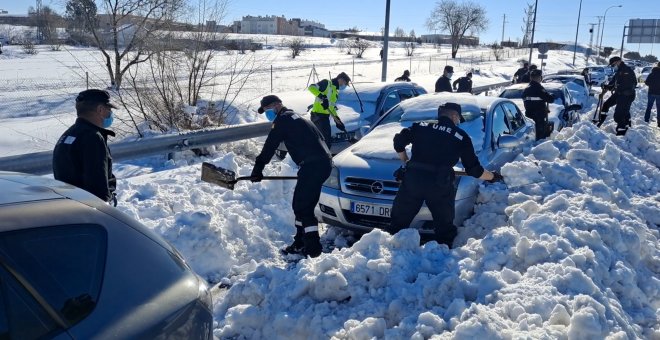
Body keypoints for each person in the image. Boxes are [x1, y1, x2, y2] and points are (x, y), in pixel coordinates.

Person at [388, 102, 503, 247]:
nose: (458, 122)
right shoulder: (460, 136)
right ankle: (443, 253)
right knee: (444, 226)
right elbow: (474, 170)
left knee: (398, 222)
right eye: (458, 118)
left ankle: (389, 249)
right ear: (454, 116)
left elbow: (398, 141)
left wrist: (405, 160)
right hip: (439, 184)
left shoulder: (421, 126)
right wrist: (492, 177)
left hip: (413, 180)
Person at [251, 95, 332, 258]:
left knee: (303, 207)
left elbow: (270, 145)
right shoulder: (297, 117)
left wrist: (258, 168)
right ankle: (301, 241)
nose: (267, 114)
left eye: (267, 110)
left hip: (313, 165)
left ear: (277, 105)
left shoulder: (283, 120)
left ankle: (313, 248)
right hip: (320, 164)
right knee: (300, 205)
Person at [53, 89, 118, 205]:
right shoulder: (92, 138)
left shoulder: (68, 134)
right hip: (88, 210)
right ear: (100, 110)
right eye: (109, 109)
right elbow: (98, 188)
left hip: (69, 206)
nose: (111, 114)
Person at [308, 72, 350, 149]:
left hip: (325, 117)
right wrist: (322, 96)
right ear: (340, 79)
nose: (344, 85)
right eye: (345, 83)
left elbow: (331, 107)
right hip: (317, 115)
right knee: (324, 142)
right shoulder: (326, 83)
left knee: (325, 141)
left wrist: (337, 119)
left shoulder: (336, 93)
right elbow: (311, 87)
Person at [522, 69, 555, 141]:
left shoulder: (526, 89)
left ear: (531, 78)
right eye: (540, 77)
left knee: (532, 138)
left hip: (529, 117)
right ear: (539, 77)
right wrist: (552, 95)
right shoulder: (539, 88)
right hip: (539, 117)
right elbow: (550, 99)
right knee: (540, 139)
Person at [608, 56, 637, 136]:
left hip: (627, 95)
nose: (613, 66)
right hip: (620, 94)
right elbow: (614, 81)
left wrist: (628, 90)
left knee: (618, 115)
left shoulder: (627, 70)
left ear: (618, 62)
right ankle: (627, 126)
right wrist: (608, 86)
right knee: (625, 112)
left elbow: (634, 82)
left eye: (613, 64)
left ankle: (621, 133)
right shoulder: (619, 71)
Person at [644, 62, 660, 126]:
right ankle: (659, 122)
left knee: (649, 107)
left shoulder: (652, 74)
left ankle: (646, 120)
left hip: (651, 93)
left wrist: (651, 85)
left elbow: (647, 82)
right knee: (659, 108)